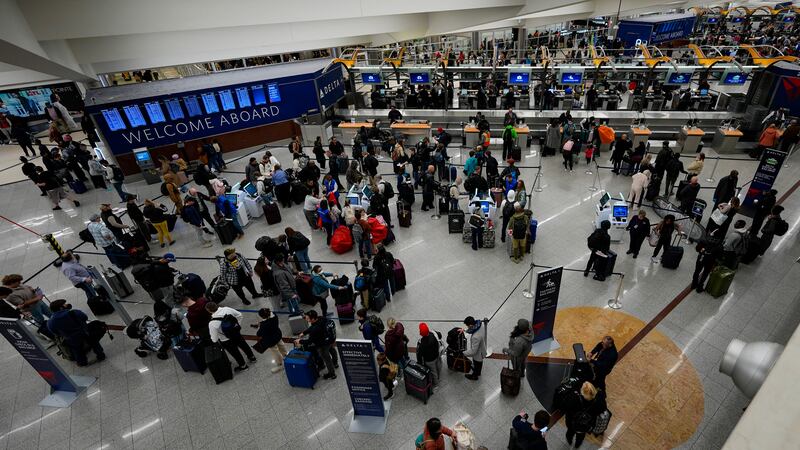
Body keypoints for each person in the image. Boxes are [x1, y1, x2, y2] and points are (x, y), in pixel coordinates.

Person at [47, 300, 105, 367]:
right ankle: (101, 355)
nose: (66, 304)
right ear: (61, 308)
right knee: (94, 343)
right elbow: (85, 317)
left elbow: (54, 331)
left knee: (77, 350)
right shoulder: (73, 312)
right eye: (64, 304)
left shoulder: (50, 321)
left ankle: (82, 363)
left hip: (70, 338)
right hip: (84, 332)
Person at [206, 302, 256, 372]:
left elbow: (214, 339)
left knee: (235, 353)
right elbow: (239, 315)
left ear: (209, 310)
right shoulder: (227, 309)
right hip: (236, 333)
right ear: (216, 305)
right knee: (244, 345)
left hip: (226, 340)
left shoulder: (212, 323)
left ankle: (243, 366)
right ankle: (252, 357)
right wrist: (236, 326)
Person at [296, 310, 339, 380]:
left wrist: (300, 341)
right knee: (332, 350)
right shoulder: (321, 318)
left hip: (322, 345)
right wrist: (304, 332)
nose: (306, 319)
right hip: (329, 339)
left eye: (307, 318)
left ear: (313, 319)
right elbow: (313, 326)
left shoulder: (315, 330)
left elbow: (309, 341)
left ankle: (332, 374)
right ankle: (335, 363)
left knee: (327, 359)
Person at [564, 382, 607, 448]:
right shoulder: (599, 400)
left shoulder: (575, 398)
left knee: (570, 432)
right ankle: (577, 445)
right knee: (581, 436)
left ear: (583, 392)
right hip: (586, 424)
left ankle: (569, 440)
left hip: (572, 422)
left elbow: (566, 407)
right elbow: (602, 409)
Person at [250, 308, 288, 373]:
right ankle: (286, 356)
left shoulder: (264, 325)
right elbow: (269, 320)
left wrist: (260, 325)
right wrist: (261, 323)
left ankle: (280, 364)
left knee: (275, 351)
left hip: (271, 340)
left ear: (262, 317)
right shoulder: (274, 316)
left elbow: (259, 334)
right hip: (277, 335)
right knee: (281, 345)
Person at [462, 316, 486, 380]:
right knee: (479, 363)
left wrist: (463, 353)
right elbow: (472, 330)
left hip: (478, 354)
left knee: (477, 363)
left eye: (467, 326)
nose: (467, 327)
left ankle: (475, 376)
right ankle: (478, 372)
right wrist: (464, 330)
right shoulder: (480, 325)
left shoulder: (475, 337)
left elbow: (473, 352)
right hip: (482, 348)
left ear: (470, 325)